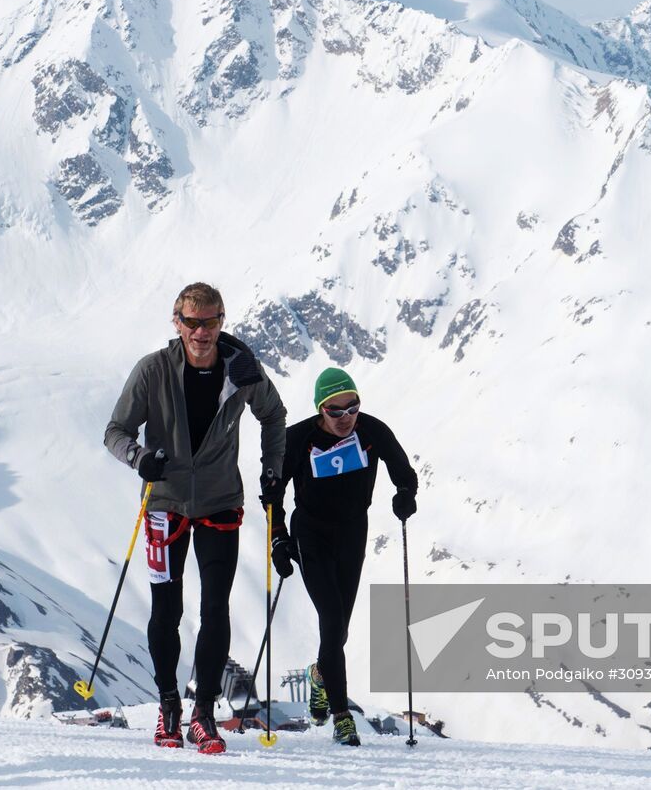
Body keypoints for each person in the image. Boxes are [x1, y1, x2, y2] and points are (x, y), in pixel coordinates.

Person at [104, 283, 286, 754]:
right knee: (166, 611)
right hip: (164, 504)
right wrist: (138, 457)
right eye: (191, 321)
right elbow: (115, 431)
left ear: (222, 320)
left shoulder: (243, 369)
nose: (201, 332)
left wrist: (272, 470)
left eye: (209, 321)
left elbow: (274, 415)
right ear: (176, 322)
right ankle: (168, 707)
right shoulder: (153, 371)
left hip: (220, 502)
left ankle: (203, 713)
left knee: (215, 609)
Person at [262, 367, 418, 747]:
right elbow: (271, 494)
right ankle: (341, 715)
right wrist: (278, 539)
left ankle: (320, 674)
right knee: (331, 619)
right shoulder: (298, 438)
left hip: (352, 534)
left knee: (340, 629)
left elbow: (403, 470)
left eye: (352, 408)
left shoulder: (372, 430)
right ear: (321, 410)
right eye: (336, 411)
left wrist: (405, 495)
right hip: (311, 534)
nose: (346, 417)